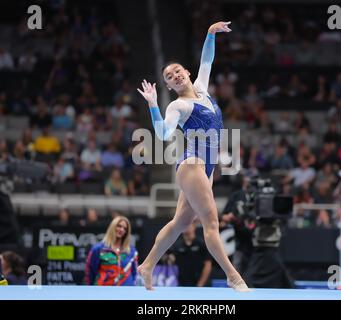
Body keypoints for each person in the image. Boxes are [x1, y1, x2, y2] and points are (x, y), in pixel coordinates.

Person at [136, 21, 250, 291]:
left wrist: (211, 33)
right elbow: (163, 134)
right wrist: (154, 105)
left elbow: (207, 60)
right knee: (211, 222)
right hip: (192, 163)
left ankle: (147, 265)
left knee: (181, 222)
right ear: (171, 86)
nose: (175, 75)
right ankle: (234, 277)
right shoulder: (179, 105)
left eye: (177, 71)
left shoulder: (201, 88)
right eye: (169, 77)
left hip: (206, 166)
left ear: (186, 72)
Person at [85, 216, 138, 286]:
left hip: (126, 293)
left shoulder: (132, 251)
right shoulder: (98, 249)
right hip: (104, 292)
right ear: (112, 227)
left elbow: (134, 273)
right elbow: (90, 272)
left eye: (125, 228)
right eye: (119, 226)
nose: (122, 230)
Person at [171, 222, 212, 287]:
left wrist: (200, 284)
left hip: (200, 284)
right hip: (182, 284)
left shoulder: (202, 244)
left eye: (188, 225)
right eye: (184, 225)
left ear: (194, 226)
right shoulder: (177, 245)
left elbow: (208, 265)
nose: (186, 227)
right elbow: (172, 263)